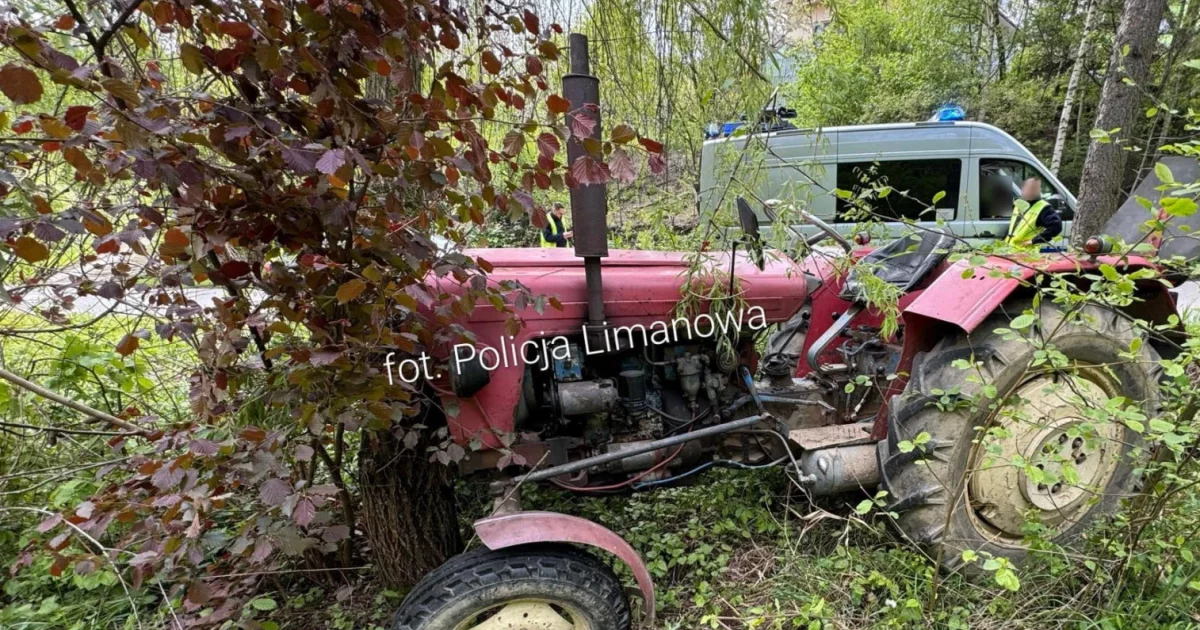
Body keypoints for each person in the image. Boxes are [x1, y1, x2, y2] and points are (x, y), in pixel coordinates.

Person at [1005, 177, 1063, 247]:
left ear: (1039, 190)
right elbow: (1014, 227)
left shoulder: (1043, 208)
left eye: (1033, 189)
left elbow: (1056, 226)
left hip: (1027, 253)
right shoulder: (1018, 204)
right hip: (1010, 250)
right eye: (1028, 188)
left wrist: (1035, 240)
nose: (1030, 192)